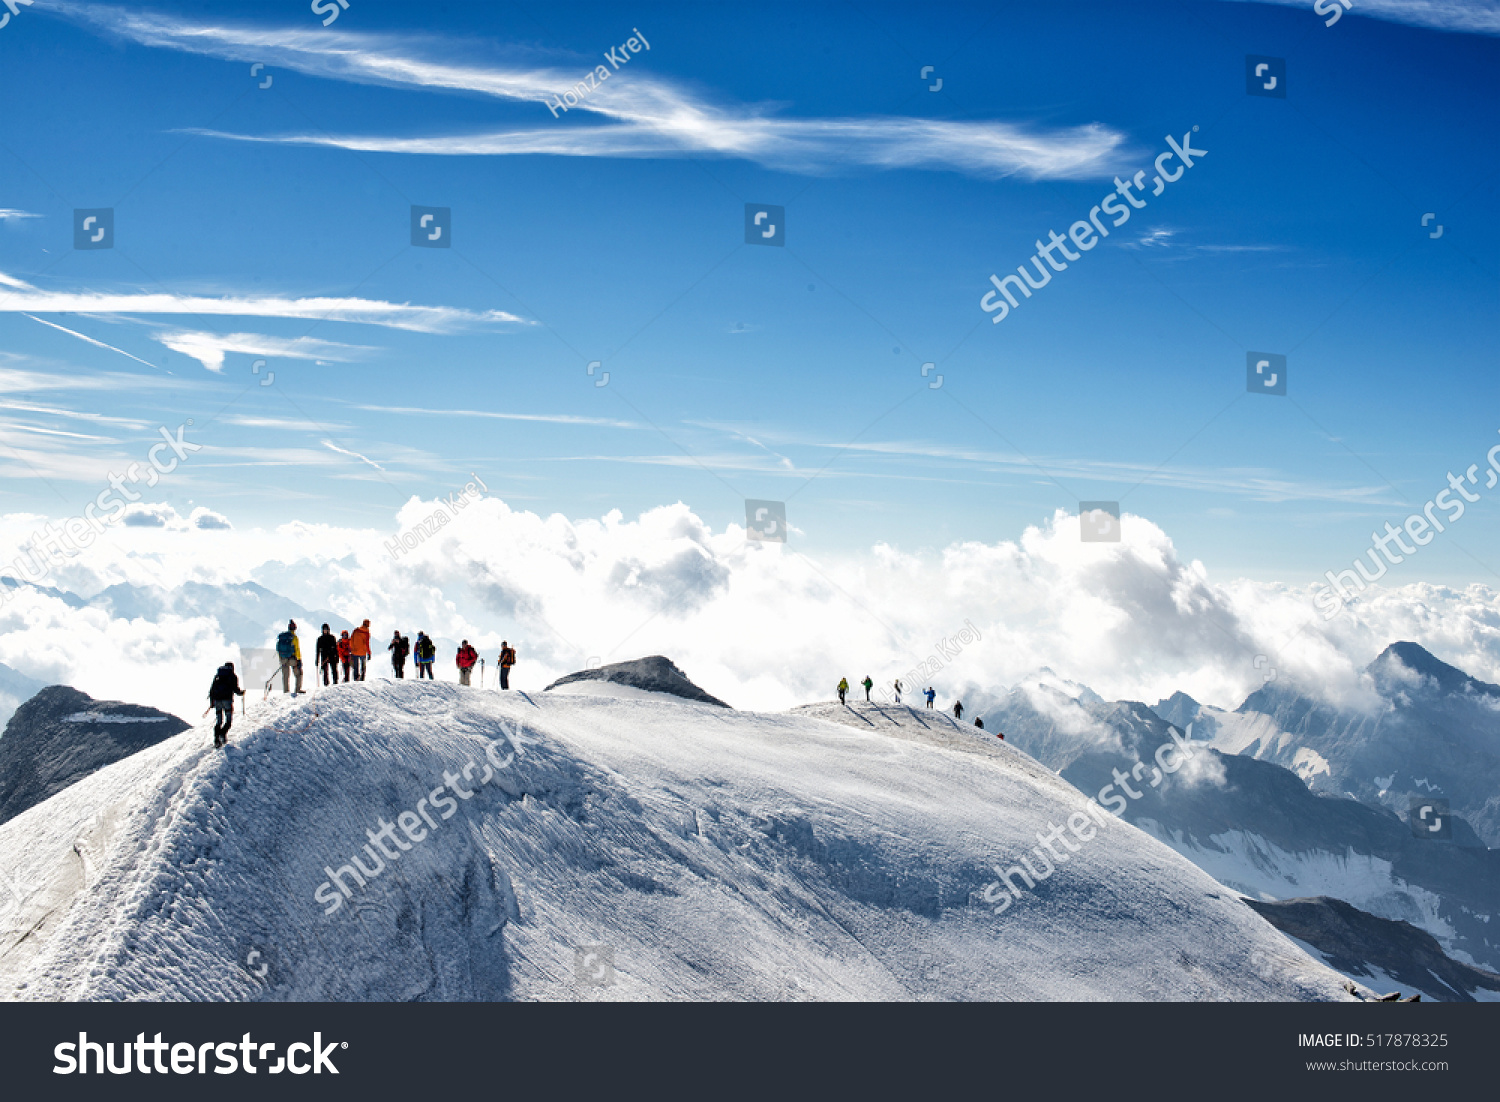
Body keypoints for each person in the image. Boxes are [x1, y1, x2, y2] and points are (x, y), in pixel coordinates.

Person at [208, 662, 245, 748]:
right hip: (227, 700)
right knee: (228, 721)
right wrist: (241, 693)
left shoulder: (218, 676)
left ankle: (216, 740)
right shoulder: (232, 676)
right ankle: (222, 734)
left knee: (219, 721)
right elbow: (235, 689)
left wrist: (212, 703)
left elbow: (212, 690)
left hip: (217, 701)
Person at [275, 620, 303, 695]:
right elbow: (297, 649)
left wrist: (281, 659)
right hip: (292, 659)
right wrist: (299, 660)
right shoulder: (294, 638)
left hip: (283, 659)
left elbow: (278, 648)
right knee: (299, 674)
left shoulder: (282, 637)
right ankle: (298, 689)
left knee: (285, 676)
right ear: (295, 628)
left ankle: (286, 691)